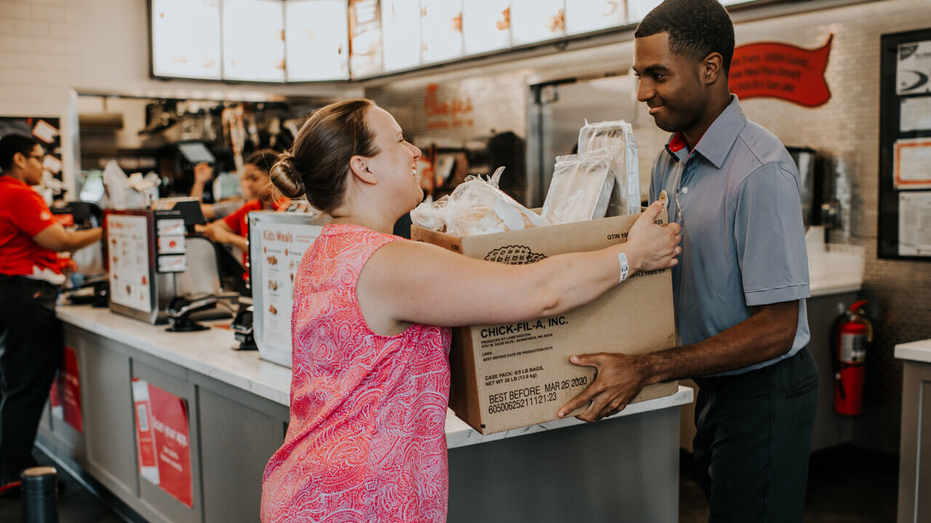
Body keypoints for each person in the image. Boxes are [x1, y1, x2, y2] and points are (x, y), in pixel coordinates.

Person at [258, 99, 681, 522]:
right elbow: (540, 291)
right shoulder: (388, 263)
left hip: (317, 489)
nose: (415, 153)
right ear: (363, 168)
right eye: (400, 141)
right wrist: (632, 255)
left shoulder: (327, 249)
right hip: (356, 500)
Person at [559, 0, 818, 521]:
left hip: (764, 392)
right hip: (715, 386)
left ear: (710, 69)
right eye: (638, 75)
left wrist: (647, 367)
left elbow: (778, 329)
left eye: (658, 74)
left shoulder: (759, 169)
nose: (642, 93)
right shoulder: (670, 161)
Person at [0, 134, 103, 489]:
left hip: (13, 293)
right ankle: (16, 472)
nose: (43, 165)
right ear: (18, 159)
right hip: (25, 297)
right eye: (38, 158)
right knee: (26, 386)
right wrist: (106, 229)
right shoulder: (18, 192)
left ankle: (13, 465)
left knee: (16, 383)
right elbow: (59, 239)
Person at [201, 149, 289, 275]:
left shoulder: (287, 208)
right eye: (245, 179)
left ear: (273, 178)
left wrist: (229, 238)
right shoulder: (250, 208)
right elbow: (214, 229)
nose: (248, 184)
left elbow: (272, 249)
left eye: (254, 178)